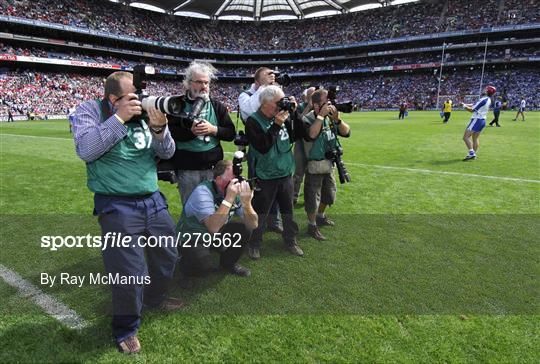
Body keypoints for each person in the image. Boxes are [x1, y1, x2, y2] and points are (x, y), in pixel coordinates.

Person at [72, 71, 181, 354]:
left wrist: (159, 129)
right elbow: (86, 149)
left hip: (153, 200)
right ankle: (126, 328)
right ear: (113, 98)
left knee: (168, 256)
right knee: (129, 272)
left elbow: (167, 153)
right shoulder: (90, 110)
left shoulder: (145, 110)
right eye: (132, 95)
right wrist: (118, 117)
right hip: (117, 204)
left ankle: (155, 299)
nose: (139, 99)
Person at [245, 85, 305, 259]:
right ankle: (254, 243)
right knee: (261, 213)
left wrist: (295, 114)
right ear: (266, 103)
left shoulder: (284, 117)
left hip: (285, 173)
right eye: (279, 102)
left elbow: (301, 134)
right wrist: (277, 125)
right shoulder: (253, 121)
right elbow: (263, 146)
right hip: (265, 176)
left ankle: (290, 240)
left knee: (288, 212)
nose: (282, 105)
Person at [176, 160, 258, 283]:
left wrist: (246, 204)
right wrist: (229, 198)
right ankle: (185, 268)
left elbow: (253, 224)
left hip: (215, 232)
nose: (236, 182)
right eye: (232, 177)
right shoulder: (202, 192)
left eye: (238, 177)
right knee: (204, 266)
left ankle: (227, 264)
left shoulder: (233, 191)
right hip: (191, 235)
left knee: (244, 229)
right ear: (218, 179)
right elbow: (213, 227)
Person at [168, 61, 235, 205]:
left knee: (216, 208)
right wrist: (191, 132)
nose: (204, 86)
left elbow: (230, 134)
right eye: (199, 82)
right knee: (191, 209)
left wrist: (214, 129)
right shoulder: (175, 105)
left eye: (206, 82)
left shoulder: (217, 106)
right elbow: (170, 134)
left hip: (214, 168)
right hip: (187, 169)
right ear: (188, 83)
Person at [238, 67, 283, 233]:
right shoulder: (245, 95)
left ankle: (274, 221)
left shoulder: (276, 90)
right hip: (257, 147)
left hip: (276, 143)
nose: (273, 76)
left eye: (274, 74)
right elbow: (249, 112)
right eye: (268, 74)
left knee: (278, 184)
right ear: (257, 81)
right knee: (259, 188)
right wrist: (265, 90)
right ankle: (258, 224)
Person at [302, 89, 351, 240]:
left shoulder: (330, 118)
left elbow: (347, 132)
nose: (328, 106)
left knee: (329, 195)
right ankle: (312, 225)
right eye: (325, 103)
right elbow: (311, 135)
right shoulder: (307, 119)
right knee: (312, 198)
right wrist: (321, 116)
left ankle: (321, 216)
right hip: (315, 164)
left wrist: (337, 120)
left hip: (330, 163)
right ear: (316, 105)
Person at [293, 87, 316, 205]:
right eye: (311, 95)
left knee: (313, 173)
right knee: (298, 172)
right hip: (300, 143)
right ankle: (293, 197)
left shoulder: (320, 107)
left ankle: (311, 198)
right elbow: (299, 121)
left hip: (313, 144)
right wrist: (309, 106)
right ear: (306, 96)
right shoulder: (301, 106)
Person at [461, 85, 496, 161]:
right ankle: (473, 154)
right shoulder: (488, 99)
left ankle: (471, 153)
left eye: (486, 89)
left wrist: (464, 106)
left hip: (476, 119)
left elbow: (472, 110)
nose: (484, 90)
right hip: (482, 120)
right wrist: (465, 104)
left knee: (465, 137)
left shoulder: (483, 99)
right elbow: (474, 105)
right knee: (475, 138)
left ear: (487, 91)